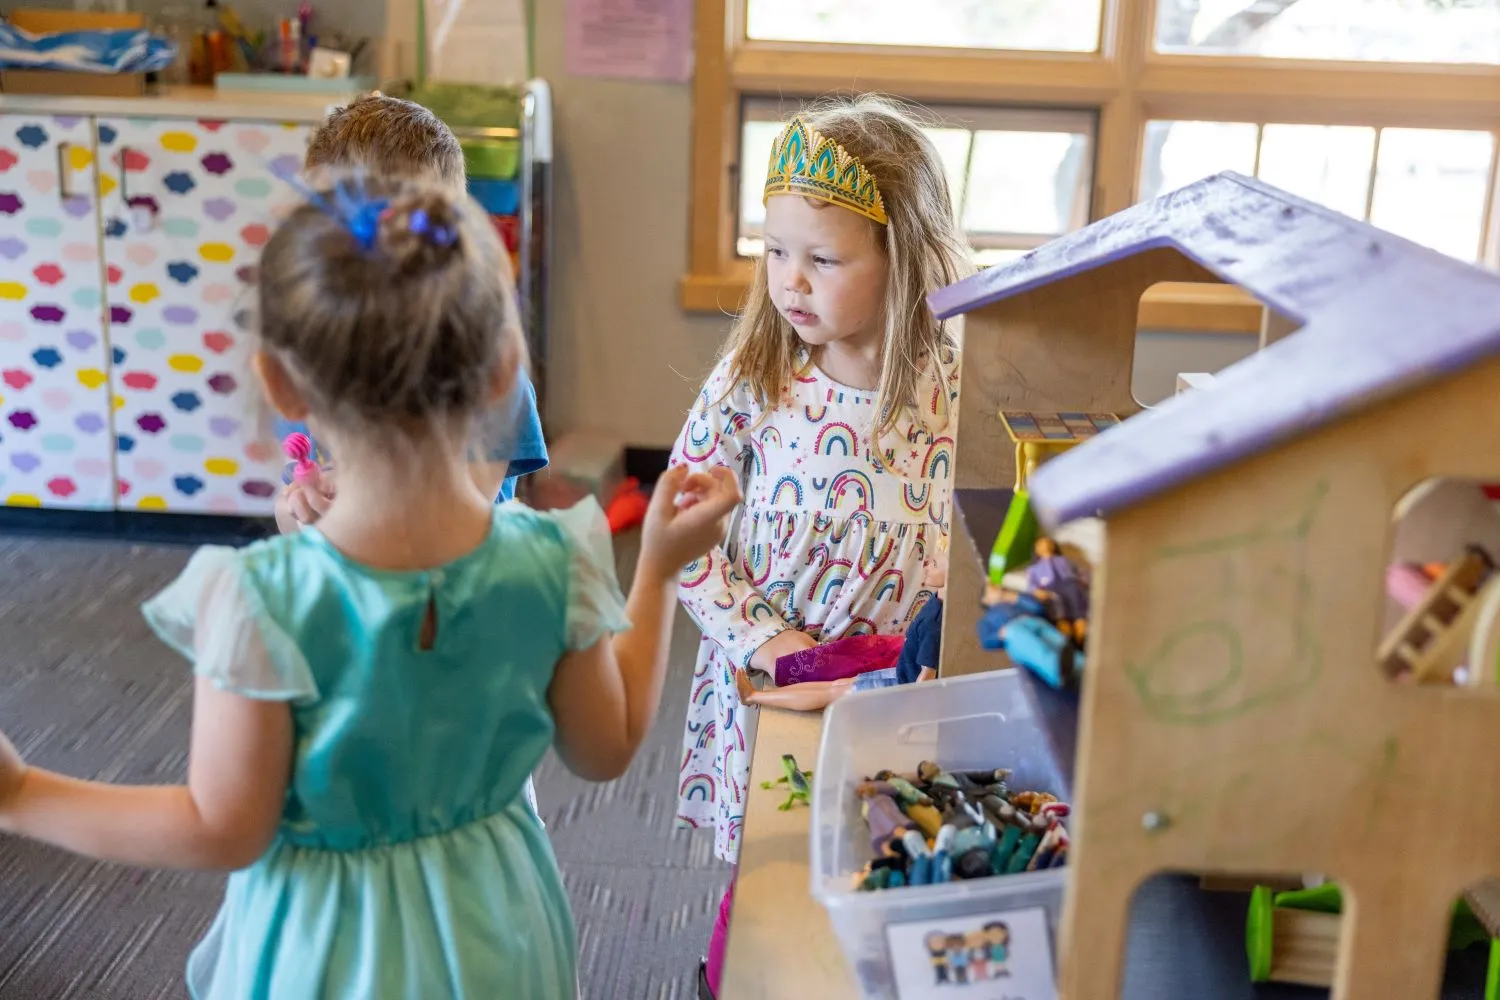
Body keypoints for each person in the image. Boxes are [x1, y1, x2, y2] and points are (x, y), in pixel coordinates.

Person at [0, 178, 741, 1000]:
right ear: (504, 375)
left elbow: (222, 827)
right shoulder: (552, 561)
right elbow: (608, 750)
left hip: (322, 958)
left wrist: (26, 795)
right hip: (501, 938)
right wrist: (660, 570)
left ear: (280, 385)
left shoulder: (260, 600)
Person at [669, 93, 971, 997]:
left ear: (901, 258)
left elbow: (986, 522)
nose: (789, 281)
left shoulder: (955, 379)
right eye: (775, 253)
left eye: (824, 259)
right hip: (773, 677)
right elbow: (680, 534)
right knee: (773, 858)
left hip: (894, 683)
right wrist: (765, 639)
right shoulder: (757, 376)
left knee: (880, 853)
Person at [272, 94, 549, 532]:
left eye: (406, 228)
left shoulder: (488, 374)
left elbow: (463, 515)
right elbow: (290, 515)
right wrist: (300, 509)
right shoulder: (315, 365)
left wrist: (358, 502)